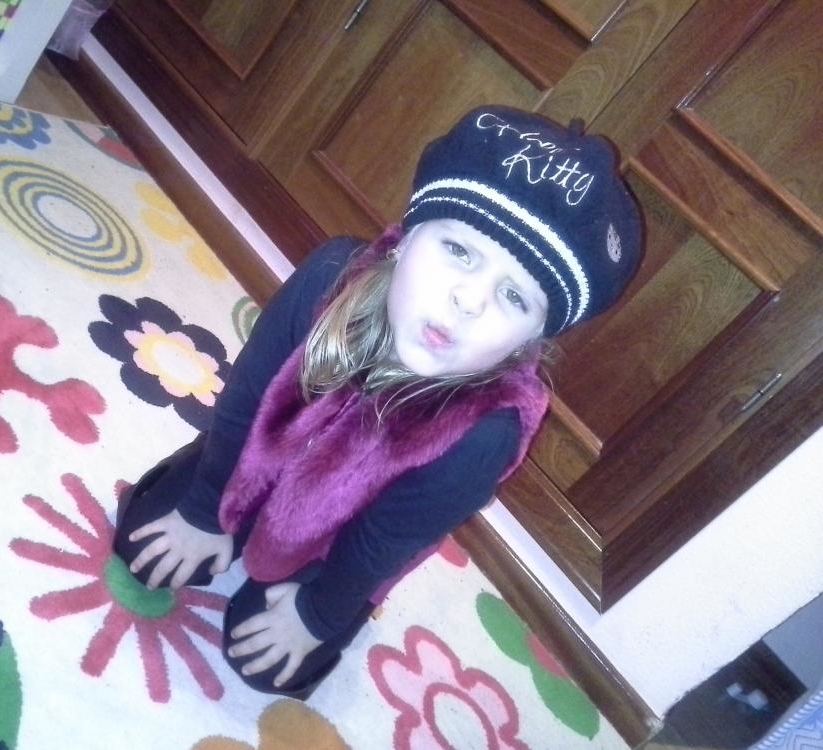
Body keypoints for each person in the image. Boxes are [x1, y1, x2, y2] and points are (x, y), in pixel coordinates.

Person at [113, 105, 643, 699]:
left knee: (260, 664)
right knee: (142, 549)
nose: (469, 300)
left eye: (515, 297)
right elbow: (246, 398)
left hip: (341, 540)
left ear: (531, 342)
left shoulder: (485, 431)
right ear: (407, 236)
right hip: (261, 458)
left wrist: (318, 613)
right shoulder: (329, 278)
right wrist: (207, 506)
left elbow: (383, 542)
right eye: (460, 251)